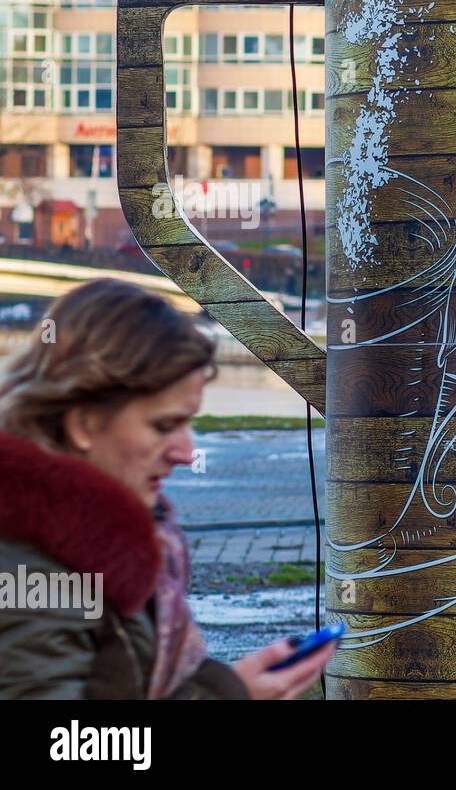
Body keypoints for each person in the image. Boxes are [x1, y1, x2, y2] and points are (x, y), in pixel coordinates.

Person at [0, 279, 335, 699]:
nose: (186, 452)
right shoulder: (27, 571)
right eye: (164, 426)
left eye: (190, 421)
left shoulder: (94, 536)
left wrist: (232, 685)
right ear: (84, 423)